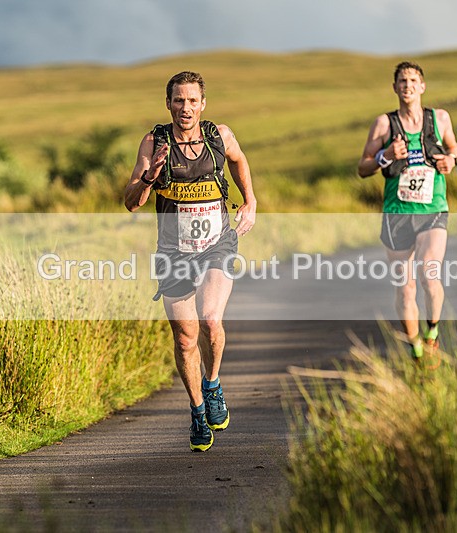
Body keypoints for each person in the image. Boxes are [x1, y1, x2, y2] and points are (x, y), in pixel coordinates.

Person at [124, 71, 257, 452]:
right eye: (178, 100)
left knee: (210, 319)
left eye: (192, 100)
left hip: (217, 245)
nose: (186, 108)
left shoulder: (220, 136)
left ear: (203, 104)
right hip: (174, 252)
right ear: (168, 104)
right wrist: (149, 177)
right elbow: (132, 202)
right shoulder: (154, 142)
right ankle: (198, 410)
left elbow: (239, 160)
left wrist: (250, 202)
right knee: (184, 340)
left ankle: (212, 383)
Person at [358, 61, 457, 361]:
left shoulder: (439, 119)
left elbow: (454, 148)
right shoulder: (383, 124)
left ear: (422, 86)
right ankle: (415, 349)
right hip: (397, 213)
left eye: (413, 80)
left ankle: (432, 332)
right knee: (405, 288)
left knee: (430, 273)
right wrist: (384, 155)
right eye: (402, 81)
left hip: (433, 209)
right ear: (395, 88)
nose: (408, 85)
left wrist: (451, 160)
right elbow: (363, 167)